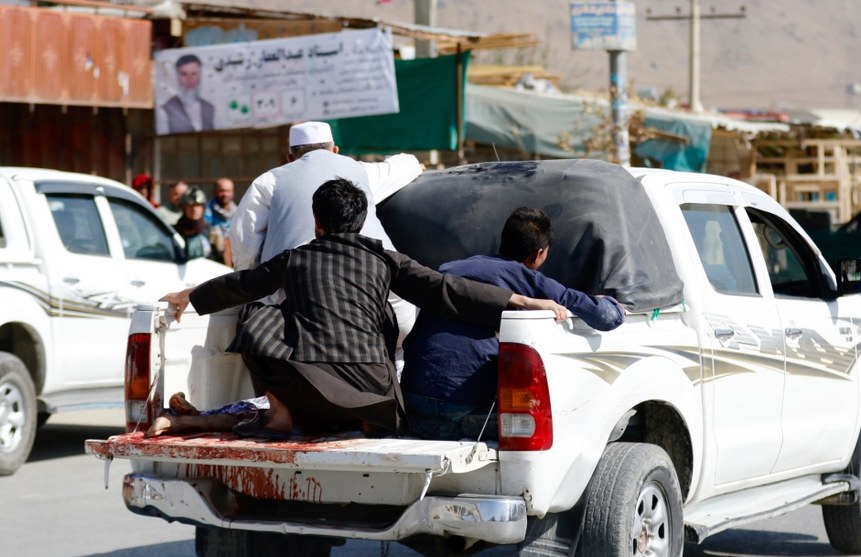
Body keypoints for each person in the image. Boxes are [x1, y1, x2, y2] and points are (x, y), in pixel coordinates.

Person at [159, 178, 567, 440]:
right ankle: (342, 420)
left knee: (257, 314)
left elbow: (238, 286)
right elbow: (448, 290)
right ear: (361, 222)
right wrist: (519, 299)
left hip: (310, 392)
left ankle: (278, 415)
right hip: (376, 400)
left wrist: (188, 296)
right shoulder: (384, 259)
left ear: (317, 221)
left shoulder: (294, 259)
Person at [401, 207, 627, 441]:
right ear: (538, 254)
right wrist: (615, 305)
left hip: (413, 406)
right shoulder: (528, 280)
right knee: (564, 429)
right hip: (466, 413)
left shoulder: (450, 269)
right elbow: (604, 317)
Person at [229, 120, 424, 370]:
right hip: (384, 293)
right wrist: (418, 166)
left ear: (290, 156)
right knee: (400, 340)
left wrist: (252, 283)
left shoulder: (269, 181)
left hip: (301, 302)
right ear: (335, 150)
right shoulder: (358, 171)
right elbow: (406, 164)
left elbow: (244, 241)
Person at [157, 54, 215, 134]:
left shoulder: (210, 108)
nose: (189, 79)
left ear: (200, 75)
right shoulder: (165, 110)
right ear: (177, 76)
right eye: (184, 74)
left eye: (194, 73)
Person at [173, 187, 212, 259]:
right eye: (190, 205)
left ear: (203, 208)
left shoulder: (212, 233)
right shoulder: (174, 232)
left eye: (198, 205)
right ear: (184, 208)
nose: (194, 209)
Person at [205, 177, 236, 266]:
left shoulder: (238, 212)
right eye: (222, 191)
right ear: (214, 191)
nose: (225, 194)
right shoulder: (206, 211)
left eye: (228, 191)